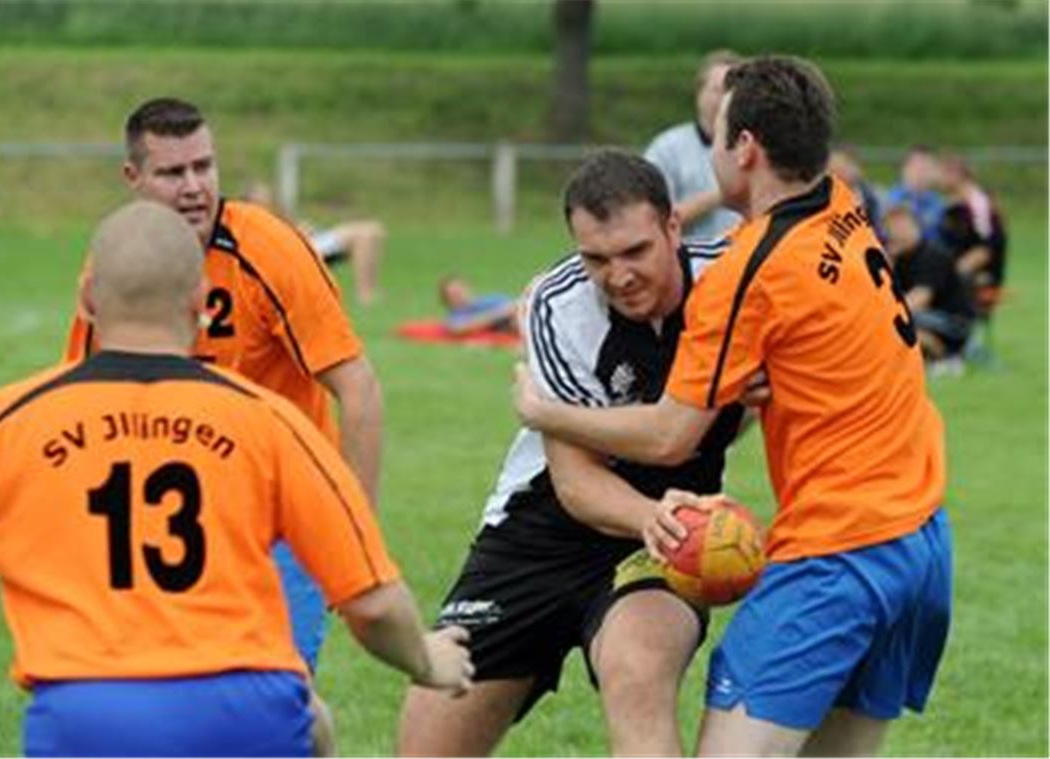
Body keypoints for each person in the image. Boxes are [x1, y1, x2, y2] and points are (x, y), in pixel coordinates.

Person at [0, 201, 473, 757]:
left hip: (85, 716)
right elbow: (372, 605)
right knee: (311, 721)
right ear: (203, 304)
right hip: (247, 712)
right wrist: (428, 660)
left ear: (86, 301)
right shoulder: (271, 423)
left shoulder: (10, 423)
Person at [514, 56, 952, 757]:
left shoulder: (749, 270)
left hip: (838, 553)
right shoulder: (842, 205)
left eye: (714, 134)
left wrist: (546, 412)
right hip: (923, 540)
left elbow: (667, 437)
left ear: (744, 147)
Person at [398, 150, 747, 756]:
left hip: (657, 547)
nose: (619, 275)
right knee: (428, 739)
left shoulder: (736, 282)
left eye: (636, 251)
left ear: (674, 227)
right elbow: (577, 485)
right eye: (597, 258)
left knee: (639, 674)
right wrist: (653, 517)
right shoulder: (558, 306)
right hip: (539, 534)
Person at [63, 97, 383, 749]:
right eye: (172, 172)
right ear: (134, 180)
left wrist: (356, 539)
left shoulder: (270, 249)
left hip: (282, 515)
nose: (193, 187)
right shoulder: (115, 264)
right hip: (173, 516)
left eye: (203, 167)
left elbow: (359, 387)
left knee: (263, 701)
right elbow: (86, 398)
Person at [644, 49, 743, 241]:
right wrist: (723, 194)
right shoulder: (666, 149)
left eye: (733, 91)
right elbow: (651, 220)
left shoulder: (758, 148)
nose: (726, 99)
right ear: (699, 93)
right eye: (718, 90)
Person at [244, 181, 385, 306]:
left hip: (308, 243)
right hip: (297, 251)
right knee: (364, 234)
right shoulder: (252, 219)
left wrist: (303, 228)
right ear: (251, 200)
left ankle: (369, 291)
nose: (267, 198)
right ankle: (366, 294)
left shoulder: (275, 213)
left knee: (372, 230)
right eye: (261, 195)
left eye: (267, 194)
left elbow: (297, 226)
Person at [883, 204, 975, 365]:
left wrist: (881, 317)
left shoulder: (933, 255)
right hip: (928, 316)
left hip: (954, 322)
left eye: (898, 227)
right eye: (889, 229)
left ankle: (946, 355)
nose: (893, 234)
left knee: (895, 321)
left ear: (913, 226)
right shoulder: (900, 257)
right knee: (893, 319)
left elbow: (919, 299)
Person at [935, 153, 1007, 291]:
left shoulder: (979, 204)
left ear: (955, 174)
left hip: (978, 280)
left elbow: (984, 250)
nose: (938, 179)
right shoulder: (953, 204)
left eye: (942, 174)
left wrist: (948, 276)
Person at [885, 145, 946, 242]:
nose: (921, 172)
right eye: (916, 166)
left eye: (926, 167)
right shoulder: (890, 200)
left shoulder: (938, 203)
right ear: (904, 168)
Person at [827, 146, 883, 240]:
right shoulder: (821, 198)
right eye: (833, 169)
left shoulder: (871, 197)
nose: (838, 172)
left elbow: (879, 231)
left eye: (846, 165)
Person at [437, 274, 519, 336]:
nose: (460, 295)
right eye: (454, 294)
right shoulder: (455, 316)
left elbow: (514, 305)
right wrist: (500, 313)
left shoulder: (490, 299)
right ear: (447, 300)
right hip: (506, 322)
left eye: (459, 290)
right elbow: (458, 329)